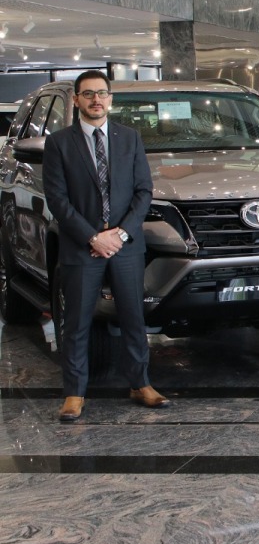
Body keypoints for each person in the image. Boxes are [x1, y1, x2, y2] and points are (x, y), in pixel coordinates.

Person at [42, 70, 166, 422]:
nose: (96, 99)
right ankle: (74, 393)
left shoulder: (130, 138)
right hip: (82, 246)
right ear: (77, 100)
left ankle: (140, 384)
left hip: (126, 246)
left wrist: (120, 234)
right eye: (88, 94)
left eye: (102, 93)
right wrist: (93, 237)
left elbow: (143, 191)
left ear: (110, 99)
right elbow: (57, 199)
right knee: (77, 322)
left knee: (133, 317)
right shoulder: (59, 143)